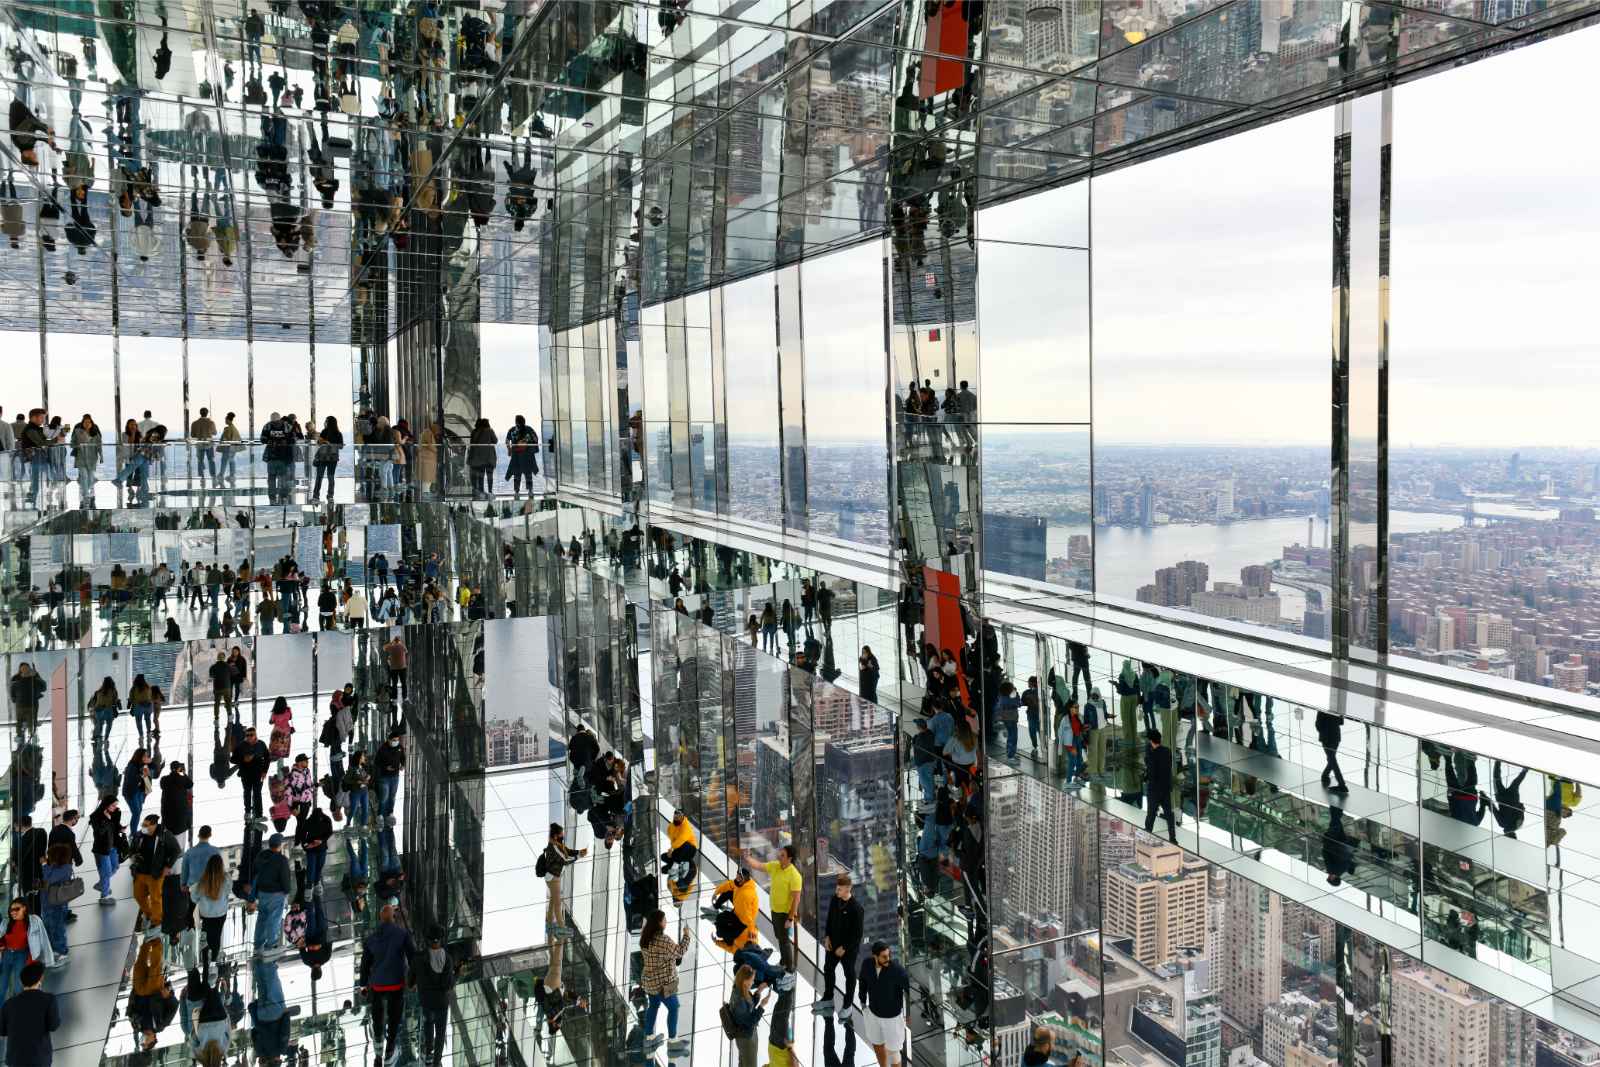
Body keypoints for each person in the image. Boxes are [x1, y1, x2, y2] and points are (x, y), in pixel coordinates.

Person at [360, 900, 413, 1066]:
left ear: (381, 919)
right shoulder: (403, 934)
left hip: (377, 985)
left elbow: (365, 963)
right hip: (396, 984)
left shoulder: (371, 939)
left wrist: (363, 985)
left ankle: (377, 1047)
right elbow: (412, 957)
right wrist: (413, 980)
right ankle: (390, 1050)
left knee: (377, 1015)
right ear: (394, 917)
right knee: (395, 1017)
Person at [639, 909, 693, 1053]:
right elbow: (680, 951)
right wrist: (686, 935)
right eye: (664, 920)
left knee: (654, 1005)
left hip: (649, 981)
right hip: (664, 983)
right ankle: (673, 1041)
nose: (666, 922)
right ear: (659, 923)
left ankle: (649, 1038)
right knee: (674, 1007)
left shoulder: (644, 936)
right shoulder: (663, 940)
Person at [857, 940, 910, 1067]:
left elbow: (910, 990)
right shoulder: (867, 964)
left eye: (889, 955)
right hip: (873, 1014)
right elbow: (863, 981)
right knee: (877, 1044)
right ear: (875, 956)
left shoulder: (897, 971)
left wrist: (909, 1014)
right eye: (884, 956)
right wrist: (863, 1002)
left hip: (892, 1018)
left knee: (894, 1052)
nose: (888, 958)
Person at [817, 872, 863, 1015]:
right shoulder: (834, 899)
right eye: (837, 888)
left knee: (849, 975)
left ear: (848, 889)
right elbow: (829, 920)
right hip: (833, 944)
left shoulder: (856, 908)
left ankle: (848, 1005)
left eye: (839, 889)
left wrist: (844, 948)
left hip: (848, 950)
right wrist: (827, 937)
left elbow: (857, 934)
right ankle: (828, 998)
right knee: (828, 969)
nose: (836, 891)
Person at [412, 924, 459, 1066]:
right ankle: (436, 1061)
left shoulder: (418, 958)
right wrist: (457, 974)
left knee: (428, 1024)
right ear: (441, 940)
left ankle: (428, 1053)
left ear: (427, 940)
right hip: (441, 1003)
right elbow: (448, 985)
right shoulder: (448, 959)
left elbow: (410, 982)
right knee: (440, 1032)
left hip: (426, 1001)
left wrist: (414, 984)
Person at [0, 960, 58, 1064]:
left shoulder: (9, 1004)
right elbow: (53, 1026)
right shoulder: (49, 1000)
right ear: (40, 979)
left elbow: (2, 1030)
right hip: (39, 1058)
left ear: (22, 982)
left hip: (16, 1060)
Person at [0, 899, 53, 1009]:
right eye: (11, 910)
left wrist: (42, 960)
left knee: (18, 988)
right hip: (6, 955)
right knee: (1, 987)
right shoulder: (6, 922)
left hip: (21, 955)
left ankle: (16, 1012)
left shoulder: (34, 921)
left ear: (24, 908)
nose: (13, 912)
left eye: (16, 909)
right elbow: (3, 938)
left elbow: (43, 940)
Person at [130, 814, 180, 925]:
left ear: (154, 825)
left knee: (155, 899)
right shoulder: (140, 834)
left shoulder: (164, 835)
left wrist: (168, 866)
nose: (143, 827)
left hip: (155, 874)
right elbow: (133, 848)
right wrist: (133, 855)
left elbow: (176, 850)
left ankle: (156, 921)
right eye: (143, 824)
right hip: (140, 872)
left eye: (146, 825)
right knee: (138, 895)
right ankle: (149, 914)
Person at [540, 823, 585, 936]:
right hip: (553, 876)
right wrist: (579, 856)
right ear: (555, 836)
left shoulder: (557, 844)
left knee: (553, 901)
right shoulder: (554, 847)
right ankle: (561, 928)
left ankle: (550, 926)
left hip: (553, 875)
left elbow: (567, 851)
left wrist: (579, 852)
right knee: (557, 903)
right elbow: (565, 860)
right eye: (561, 834)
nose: (563, 835)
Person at [251, 833, 291, 951]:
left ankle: (258, 945)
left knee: (262, 919)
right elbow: (285, 878)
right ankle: (271, 946)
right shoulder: (281, 860)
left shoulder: (261, 856)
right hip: (276, 894)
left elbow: (256, 873)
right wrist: (287, 891)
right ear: (279, 845)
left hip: (262, 893)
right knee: (274, 920)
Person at [765, 845, 802, 969]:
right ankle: (783, 962)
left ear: (789, 858)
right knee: (780, 938)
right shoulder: (777, 866)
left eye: (782, 855)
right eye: (780, 854)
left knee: (784, 940)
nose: (779, 857)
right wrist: (748, 858)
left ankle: (789, 968)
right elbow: (760, 866)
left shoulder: (795, 875)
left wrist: (790, 918)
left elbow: (796, 900)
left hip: (785, 913)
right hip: (775, 910)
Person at [190, 853, 229, 971]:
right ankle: (212, 961)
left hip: (206, 914)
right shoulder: (226, 879)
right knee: (216, 936)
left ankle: (205, 959)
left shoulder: (201, 882)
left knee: (206, 935)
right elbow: (228, 891)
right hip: (221, 913)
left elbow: (194, 898)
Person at [708, 867, 759, 953]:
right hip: (742, 919)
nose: (736, 879)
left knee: (720, 933)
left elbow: (730, 949)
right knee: (728, 891)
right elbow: (729, 885)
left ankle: (721, 921)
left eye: (738, 877)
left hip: (742, 922)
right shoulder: (740, 884)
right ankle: (717, 909)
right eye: (737, 876)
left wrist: (717, 942)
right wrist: (716, 892)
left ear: (743, 880)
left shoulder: (745, 895)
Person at [728, 964, 768, 1067]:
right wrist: (762, 1006)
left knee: (743, 1063)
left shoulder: (741, 989)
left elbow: (749, 1006)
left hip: (745, 1036)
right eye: (752, 980)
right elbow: (750, 1021)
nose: (753, 982)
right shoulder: (739, 999)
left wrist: (758, 991)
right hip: (746, 1039)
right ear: (745, 981)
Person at [46, 812, 82, 927]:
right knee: (64, 889)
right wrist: (78, 860)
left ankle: (61, 911)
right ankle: (64, 913)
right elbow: (73, 848)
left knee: (56, 887)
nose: (76, 821)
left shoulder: (54, 829)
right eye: (76, 818)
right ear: (72, 819)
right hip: (65, 863)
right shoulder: (68, 833)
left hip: (53, 863)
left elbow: (50, 846)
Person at [39, 845, 72, 963]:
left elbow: (49, 878)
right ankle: (55, 949)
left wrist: (44, 865)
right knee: (50, 927)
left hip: (56, 905)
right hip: (48, 904)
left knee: (57, 928)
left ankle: (62, 951)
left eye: (50, 855)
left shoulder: (66, 869)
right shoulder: (55, 866)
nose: (48, 857)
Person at [1144, 728, 1177, 844]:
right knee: (1169, 814)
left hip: (1154, 789)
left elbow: (1151, 772)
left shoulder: (1151, 755)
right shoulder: (1167, 751)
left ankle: (1147, 835)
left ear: (1151, 741)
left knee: (1151, 814)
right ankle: (1172, 838)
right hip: (1166, 788)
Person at [89, 798, 124, 905]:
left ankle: (101, 884)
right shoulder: (96, 816)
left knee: (115, 867)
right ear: (106, 805)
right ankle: (104, 896)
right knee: (106, 872)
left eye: (116, 805)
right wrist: (106, 819)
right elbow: (99, 832)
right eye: (113, 805)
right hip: (102, 849)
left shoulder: (116, 812)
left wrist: (121, 828)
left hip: (113, 846)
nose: (115, 808)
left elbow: (115, 827)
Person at [232, 726, 270, 822]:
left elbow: (267, 758)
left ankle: (259, 814)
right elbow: (232, 759)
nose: (249, 737)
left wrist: (265, 771)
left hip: (258, 774)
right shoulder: (241, 746)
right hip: (246, 774)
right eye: (247, 735)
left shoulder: (261, 744)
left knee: (257, 793)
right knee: (247, 792)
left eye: (251, 735)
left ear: (255, 735)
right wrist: (243, 759)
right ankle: (248, 812)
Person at [376, 727, 406, 822]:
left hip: (395, 777)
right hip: (384, 777)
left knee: (392, 796)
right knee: (384, 796)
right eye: (394, 740)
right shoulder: (383, 749)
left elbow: (403, 758)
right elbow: (377, 762)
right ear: (389, 740)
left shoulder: (400, 748)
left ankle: (390, 813)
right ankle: (380, 814)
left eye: (397, 740)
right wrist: (385, 767)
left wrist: (403, 765)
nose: (396, 742)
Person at [1316, 710, 1349, 794]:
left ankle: (1342, 784)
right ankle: (1325, 775)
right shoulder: (1337, 708)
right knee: (1331, 759)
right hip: (1336, 736)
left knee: (1332, 760)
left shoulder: (1322, 709)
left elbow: (1318, 725)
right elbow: (1341, 722)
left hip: (1326, 737)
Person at [312, 415, 342, 501]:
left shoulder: (324, 431)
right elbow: (340, 446)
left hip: (323, 457)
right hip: (333, 458)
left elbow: (319, 442)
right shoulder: (338, 433)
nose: (325, 422)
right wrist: (332, 444)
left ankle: (316, 495)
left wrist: (327, 442)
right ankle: (330, 496)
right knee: (330, 477)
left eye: (326, 421)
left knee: (319, 476)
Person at [159, 761, 193, 836]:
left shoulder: (164, 779)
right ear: (179, 769)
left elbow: (162, 785)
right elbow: (190, 784)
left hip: (168, 820)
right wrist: (183, 773)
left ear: (171, 769)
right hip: (181, 821)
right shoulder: (183, 779)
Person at [121, 747, 152, 828]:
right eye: (144, 756)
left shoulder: (144, 765)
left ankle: (134, 832)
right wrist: (142, 774)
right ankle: (133, 834)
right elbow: (131, 780)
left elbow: (149, 778)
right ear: (139, 756)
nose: (146, 757)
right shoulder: (132, 765)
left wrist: (149, 765)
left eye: (147, 756)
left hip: (140, 792)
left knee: (139, 811)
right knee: (136, 813)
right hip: (131, 792)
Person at [468, 417, 498, 497]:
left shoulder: (474, 432)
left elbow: (472, 443)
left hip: (478, 458)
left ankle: (480, 491)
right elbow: (495, 441)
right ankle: (490, 491)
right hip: (489, 458)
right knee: (489, 475)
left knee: (480, 475)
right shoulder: (489, 431)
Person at [190, 406, 218, 485]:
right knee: (211, 460)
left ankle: (202, 477)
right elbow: (215, 433)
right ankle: (213, 476)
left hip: (199, 444)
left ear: (200, 413)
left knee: (200, 461)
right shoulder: (211, 422)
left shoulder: (194, 423)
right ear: (207, 413)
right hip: (209, 444)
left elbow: (192, 435)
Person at [384, 633, 408, 700]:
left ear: (394, 641)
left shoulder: (391, 647)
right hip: (402, 667)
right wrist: (400, 643)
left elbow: (384, 648)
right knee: (403, 683)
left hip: (394, 668)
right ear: (399, 640)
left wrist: (391, 642)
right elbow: (406, 651)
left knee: (394, 684)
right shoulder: (402, 646)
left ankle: (394, 698)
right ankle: (405, 697)